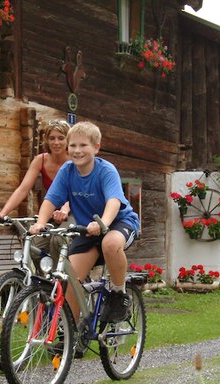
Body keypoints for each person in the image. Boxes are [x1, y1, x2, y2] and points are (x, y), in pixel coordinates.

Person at [29, 121, 140, 323]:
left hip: (118, 223)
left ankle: (118, 294)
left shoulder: (106, 170)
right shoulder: (67, 171)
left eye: (83, 145)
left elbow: (114, 201)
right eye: (73, 146)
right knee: (71, 279)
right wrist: (41, 223)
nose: (77, 151)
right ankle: (72, 334)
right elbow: (51, 199)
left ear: (96, 148)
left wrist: (103, 223)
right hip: (87, 229)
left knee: (111, 244)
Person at [0, 119, 72, 225]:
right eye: (52, 138)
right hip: (51, 210)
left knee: (62, 239)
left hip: (75, 209)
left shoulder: (74, 161)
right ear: (47, 141)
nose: (56, 142)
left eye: (61, 138)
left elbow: (76, 192)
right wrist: (3, 213)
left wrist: (64, 210)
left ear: (68, 140)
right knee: (35, 238)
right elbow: (23, 189)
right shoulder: (40, 160)